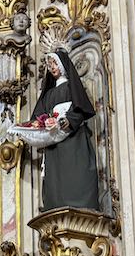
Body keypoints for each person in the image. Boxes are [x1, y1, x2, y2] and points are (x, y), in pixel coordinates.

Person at [32, 49, 100, 211]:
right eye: (49, 65)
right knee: (55, 179)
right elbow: (38, 117)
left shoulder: (71, 87)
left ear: (62, 65)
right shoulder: (48, 95)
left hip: (73, 140)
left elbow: (80, 109)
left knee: (77, 174)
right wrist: (41, 123)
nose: (52, 67)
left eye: (55, 63)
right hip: (54, 145)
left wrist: (66, 121)